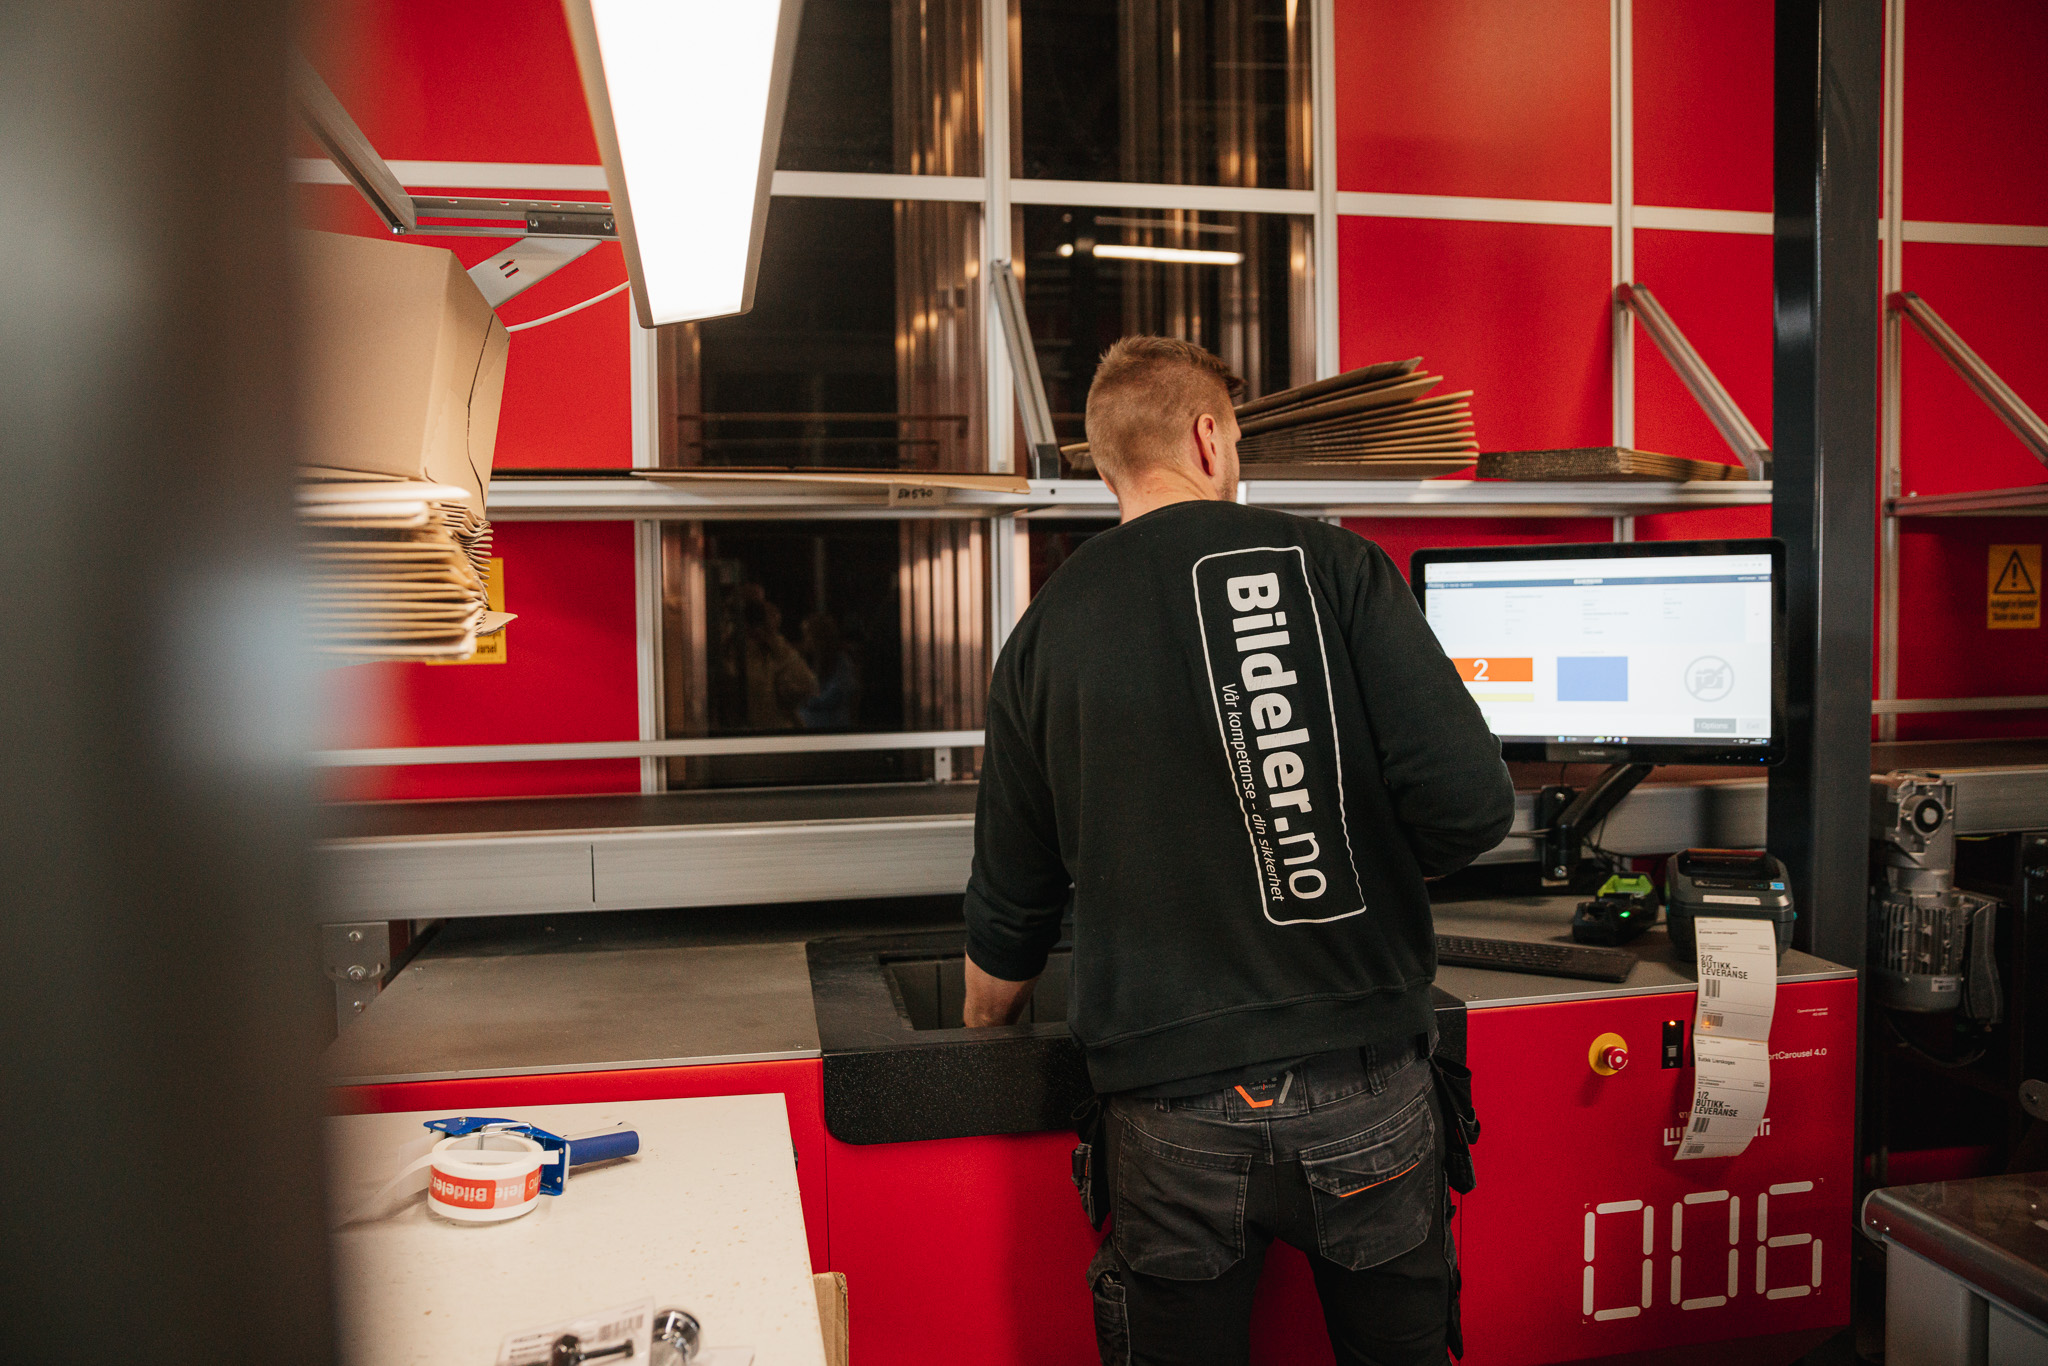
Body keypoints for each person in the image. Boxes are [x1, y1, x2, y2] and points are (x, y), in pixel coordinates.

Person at [960, 336, 1515, 1365]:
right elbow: (1470, 805)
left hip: (1168, 1117)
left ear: (1107, 460)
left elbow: (1009, 911)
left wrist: (975, 1033)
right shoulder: (1337, 567)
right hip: (1366, 1085)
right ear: (1209, 437)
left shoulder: (1042, 636)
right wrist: (1362, 861)